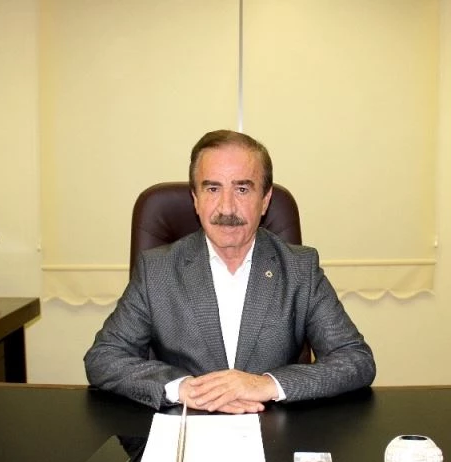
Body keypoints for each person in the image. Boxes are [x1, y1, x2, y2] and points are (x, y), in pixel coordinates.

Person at [84, 130, 376, 413]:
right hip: (186, 424)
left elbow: (356, 359)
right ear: (195, 199)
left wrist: (267, 384)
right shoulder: (157, 270)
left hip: (271, 426)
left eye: (242, 189)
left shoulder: (300, 269)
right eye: (212, 189)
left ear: (265, 200)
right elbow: (104, 358)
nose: (226, 207)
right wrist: (184, 388)